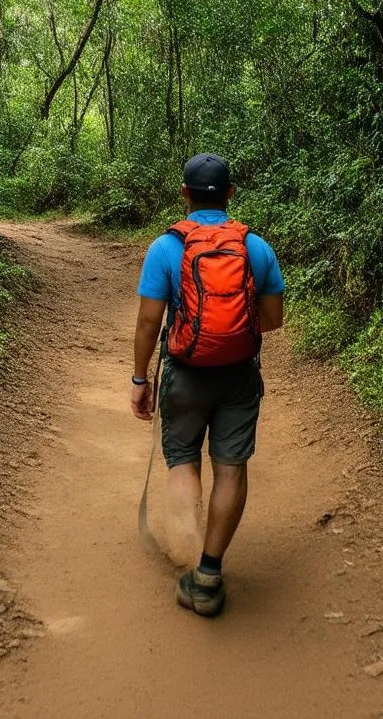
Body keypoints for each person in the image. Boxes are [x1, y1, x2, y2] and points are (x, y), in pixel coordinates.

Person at [130, 153, 285, 617]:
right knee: (231, 468)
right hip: (238, 377)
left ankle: (186, 551)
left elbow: (147, 323)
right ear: (231, 194)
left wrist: (141, 379)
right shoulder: (256, 247)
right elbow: (273, 321)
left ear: (185, 195)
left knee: (182, 462)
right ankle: (209, 574)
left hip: (184, 376)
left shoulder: (165, 249)